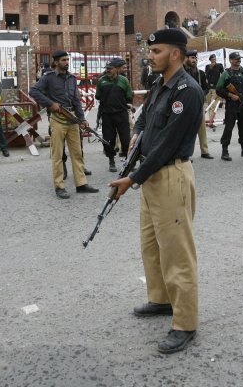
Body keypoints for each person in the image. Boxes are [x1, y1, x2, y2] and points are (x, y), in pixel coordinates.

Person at [109, 28, 202, 355]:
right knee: (152, 246)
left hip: (170, 174)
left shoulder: (186, 91)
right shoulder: (159, 86)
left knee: (177, 252)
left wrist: (131, 179)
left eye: (157, 51)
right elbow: (144, 119)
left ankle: (185, 323)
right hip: (151, 175)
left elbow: (167, 145)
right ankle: (161, 300)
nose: (150, 55)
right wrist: (136, 134)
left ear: (175, 54)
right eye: (151, 51)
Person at [29, 50, 98, 199]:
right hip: (58, 119)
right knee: (58, 155)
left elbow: (76, 100)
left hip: (72, 119)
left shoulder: (72, 78)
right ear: (56, 62)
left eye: (67, 60)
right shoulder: (48, 78)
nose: (66, 62)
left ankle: (81, 184)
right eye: (63, 60)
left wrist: (82, 119)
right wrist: (50, 104)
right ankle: (59, 186)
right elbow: (33, 91)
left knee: (77, 153)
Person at [215, 52, 243, 160]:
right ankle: (225, 151)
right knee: (229, 127)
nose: (238, 60)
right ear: (231, 60)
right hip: (231, 105)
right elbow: (219, 89)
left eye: (239, 58)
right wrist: (230, 95)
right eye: (236, 59)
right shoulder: (226, 73)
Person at [96, 57, 133, 172]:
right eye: (107, 68)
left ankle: (128, 162)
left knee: (126, 139)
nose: (108, 70)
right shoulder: (101, 81)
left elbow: (129, 96)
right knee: (108, 139)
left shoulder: (124, 81)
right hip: (107, 115)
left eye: (110, 68)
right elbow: (98, 96)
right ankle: (111, 161)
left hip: (121, 114)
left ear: (116, 69)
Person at [184, 49, 213, 159]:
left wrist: (201, 94)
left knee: (202, 129)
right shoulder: (184, 73)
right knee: (186, 130)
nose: (194, 60)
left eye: (195, 58)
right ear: (186, 58)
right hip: (187, 106)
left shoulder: (201, 73)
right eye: (192, 58)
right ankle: (185, 154)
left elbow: (206, 88)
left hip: (198, 105)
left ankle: (204, 151)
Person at [204, 54, 224, 127]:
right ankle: (211, 120)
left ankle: (212, 121)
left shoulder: (219, 66)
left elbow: (223, 74)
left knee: (213, 105)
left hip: (216, 88)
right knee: (209, 105)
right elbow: (205, 76)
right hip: (209, 88)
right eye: (212, 59)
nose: (214, 60)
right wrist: (210, 68)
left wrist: (221, 85)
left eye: (215, 59)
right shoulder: (207, 66)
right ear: (210, 60)